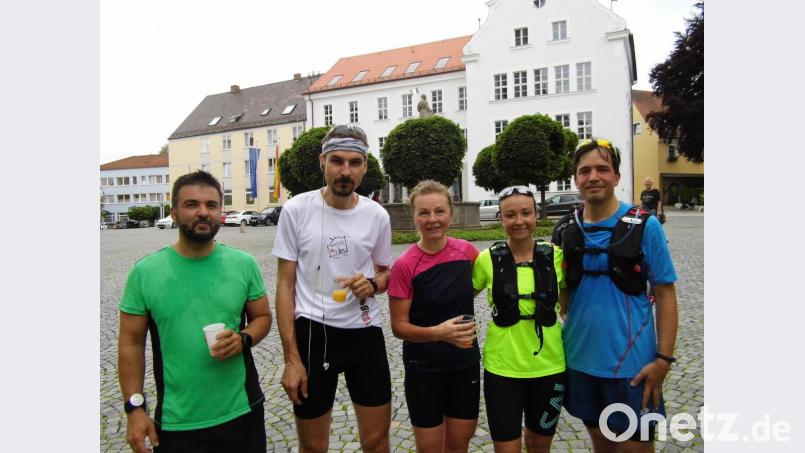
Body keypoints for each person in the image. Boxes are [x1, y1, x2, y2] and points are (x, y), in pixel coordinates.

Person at [118, 170, 273, 453]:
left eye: (211, 205)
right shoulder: (145, 272)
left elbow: (262, 317)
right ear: (174, 213)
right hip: (177, 421)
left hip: (242, 412)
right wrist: (134, 408)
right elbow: (131, 343)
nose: (203, 212)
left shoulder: (243, 263)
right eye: (192, 204)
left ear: (220, 212)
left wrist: (243, 339)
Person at [272, 124, 393, 453]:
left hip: (364, 333)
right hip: (313, 332)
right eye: (337, 161)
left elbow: (385, 273)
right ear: (322, 161)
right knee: (313, 446)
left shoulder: (377, 215)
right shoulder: (297, 209)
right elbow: (285, 286)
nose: (345, 171)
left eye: (354, 162)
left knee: (377, 441)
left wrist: (372, 284)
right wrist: (291, 359)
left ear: (365, 167)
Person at [559, 138, 678, 452]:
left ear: (616, 176)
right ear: (576, 179)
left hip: (632, 367)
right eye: (585, 171)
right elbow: (562, 293)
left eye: (602, 169)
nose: (593, 177)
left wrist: (663, 360)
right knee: (601, 443)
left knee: (633, 447)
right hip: (580, 361)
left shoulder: (645, 226)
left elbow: (665, 295)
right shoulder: (567, 229)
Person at [388, 180, 481, 453]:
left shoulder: (467, 252)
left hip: (464, 363)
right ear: (414, 216)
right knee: (429, 448)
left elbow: (478, 285)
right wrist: (439, 332)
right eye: (424, 213)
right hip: (424, 368)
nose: (432, 219)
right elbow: (399, 326)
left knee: (459, 443)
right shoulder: (405, 265)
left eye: (439, 211)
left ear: (451, 214)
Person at [472, 185, 567, 453]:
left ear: (536, 214)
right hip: (502, 368)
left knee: (540, 445)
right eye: (510, 215)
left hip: (549, 366)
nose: (519, 221)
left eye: (526, 213)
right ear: (500, 218)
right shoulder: (486, 260)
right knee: (506, 448)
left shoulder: (557, 257)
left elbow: (569, 307)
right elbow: (459, 298)